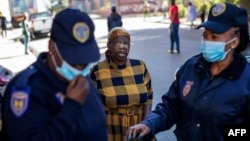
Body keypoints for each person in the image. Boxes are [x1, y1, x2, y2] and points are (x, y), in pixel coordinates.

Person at [127, 2, 250, 141]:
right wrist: (149, 124)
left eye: (214, 37)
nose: (207, 41)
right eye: (205, 35)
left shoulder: (246, 79)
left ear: (234, 42)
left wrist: (224, 133)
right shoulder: (191, 67)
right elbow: (171, 106)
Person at [0, 9, 108, 141]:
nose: (80, 66)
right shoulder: (26, 89)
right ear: (51, 46)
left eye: (85, 58)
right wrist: (72, 105)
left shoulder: (81, 79)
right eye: (72, 58)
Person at [90, 27, 154, 141]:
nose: (122, 47)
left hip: (139, 127)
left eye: (126, 43)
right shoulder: (98, 71)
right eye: (117, 43)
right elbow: (90, 104)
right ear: (109, 45)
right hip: (111, 129)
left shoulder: (140, 66)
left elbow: (149, 95)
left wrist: (146, 122)